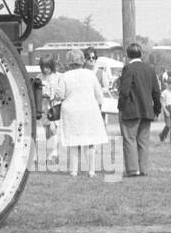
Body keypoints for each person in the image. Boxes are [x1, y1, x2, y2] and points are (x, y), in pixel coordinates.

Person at [57, 48, 108, 177]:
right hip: (89, 110)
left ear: (69, 62)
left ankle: (74, 170)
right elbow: (99, 95)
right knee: (90, 141)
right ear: (82, 60)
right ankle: (91, 170)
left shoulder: (65, 76)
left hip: (71, 112)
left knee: (74, 142)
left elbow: (60, 95)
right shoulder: (90, 74)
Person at [118, 42, 162, 176]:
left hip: (131, 110)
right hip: (147, 110)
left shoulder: (128, 69)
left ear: (127, 55)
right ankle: (143, 169)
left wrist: (120, 106)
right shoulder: (150, 69)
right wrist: (157, 109)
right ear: (141, 54)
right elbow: (156, 91)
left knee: (129, 139)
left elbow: (124, 90)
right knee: (143, 141)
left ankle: (132, 169)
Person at [39, 57, 62, 167]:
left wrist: (54, 96)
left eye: (47, 66)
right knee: (47, 131)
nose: (46, 69)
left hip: (54, 106)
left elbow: (60, 91)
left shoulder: (58, 76)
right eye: (44, 67)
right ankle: (51, 154)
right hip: (44, 107)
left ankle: (54, 153)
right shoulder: (39, 77)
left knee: (54, 129)